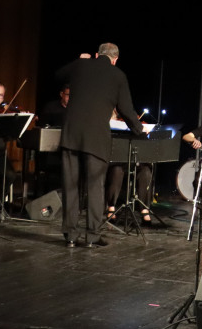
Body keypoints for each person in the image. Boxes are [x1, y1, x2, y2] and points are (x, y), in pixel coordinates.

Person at [56, 43, 143, 248]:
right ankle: (92, 236)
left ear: (96, 54)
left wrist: (79, 60)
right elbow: (126, 109)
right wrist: (139, 130)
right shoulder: (118, 75)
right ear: (115, 59)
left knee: (70, 186)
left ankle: (70, 235)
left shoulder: (80, 65)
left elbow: (58, 75)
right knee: (95, 187)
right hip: (96, 138)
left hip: (71, 135)